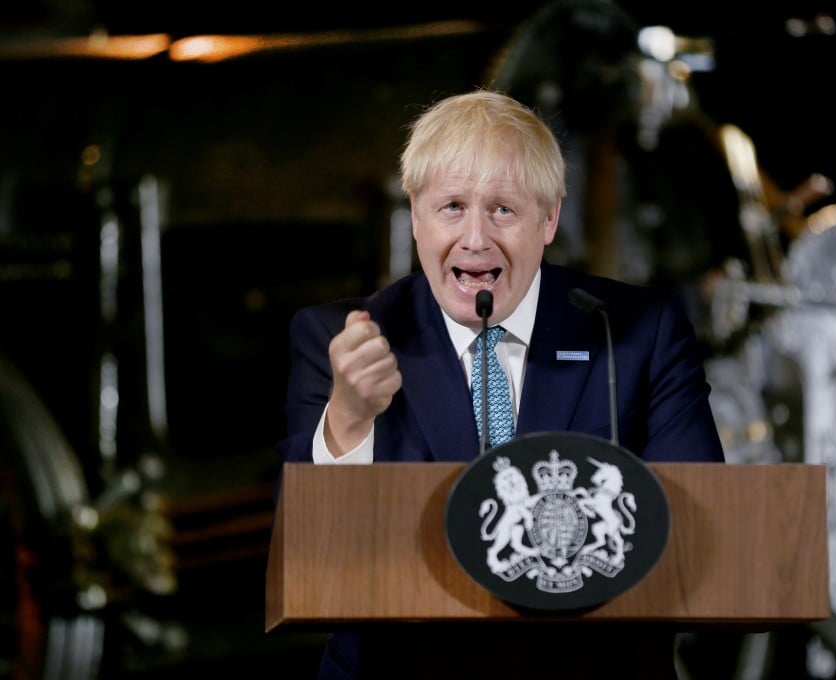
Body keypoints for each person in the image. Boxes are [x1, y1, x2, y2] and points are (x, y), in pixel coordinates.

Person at [276, 89, 725, 679]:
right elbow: (308, 565)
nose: (476, 239)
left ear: (549, 219)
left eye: (504, 210)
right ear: (415, 215)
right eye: (453, 207)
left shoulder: (635, 335)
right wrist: (349, 423)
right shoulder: (343, 340)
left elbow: (700, 534)